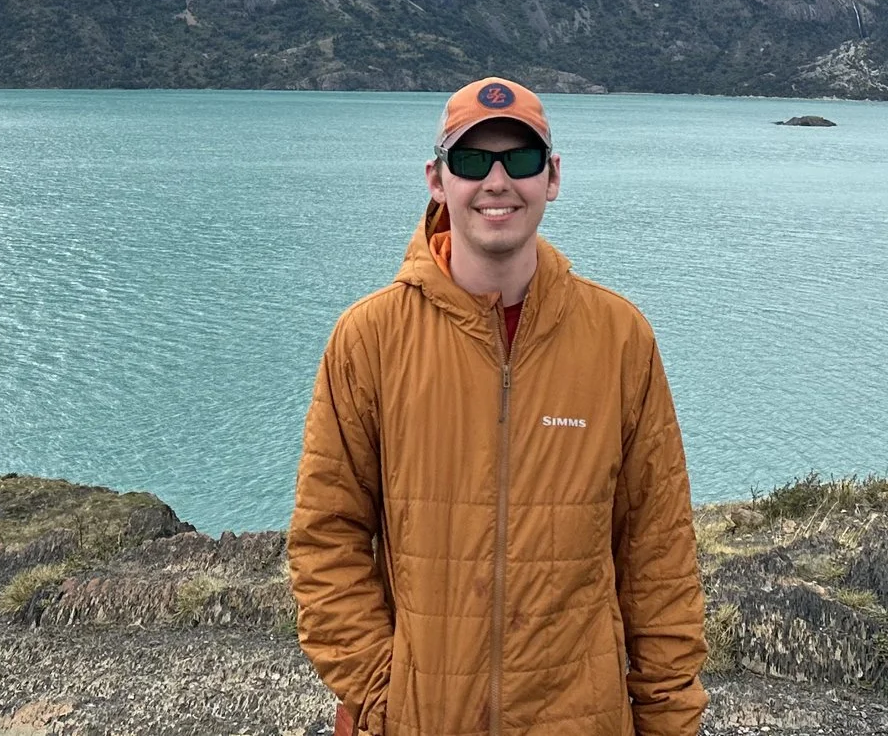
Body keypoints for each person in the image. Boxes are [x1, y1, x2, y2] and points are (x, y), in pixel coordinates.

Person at [288, 76, 706, 736]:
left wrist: (670, 718)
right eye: (473, 159)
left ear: (554, 176)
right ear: (437, 177)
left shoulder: (621, 338)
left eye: (522, 158)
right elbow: (325, 540)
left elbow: (658, 554)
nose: (498, 179)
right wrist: (383, 694)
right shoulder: (368, 339)